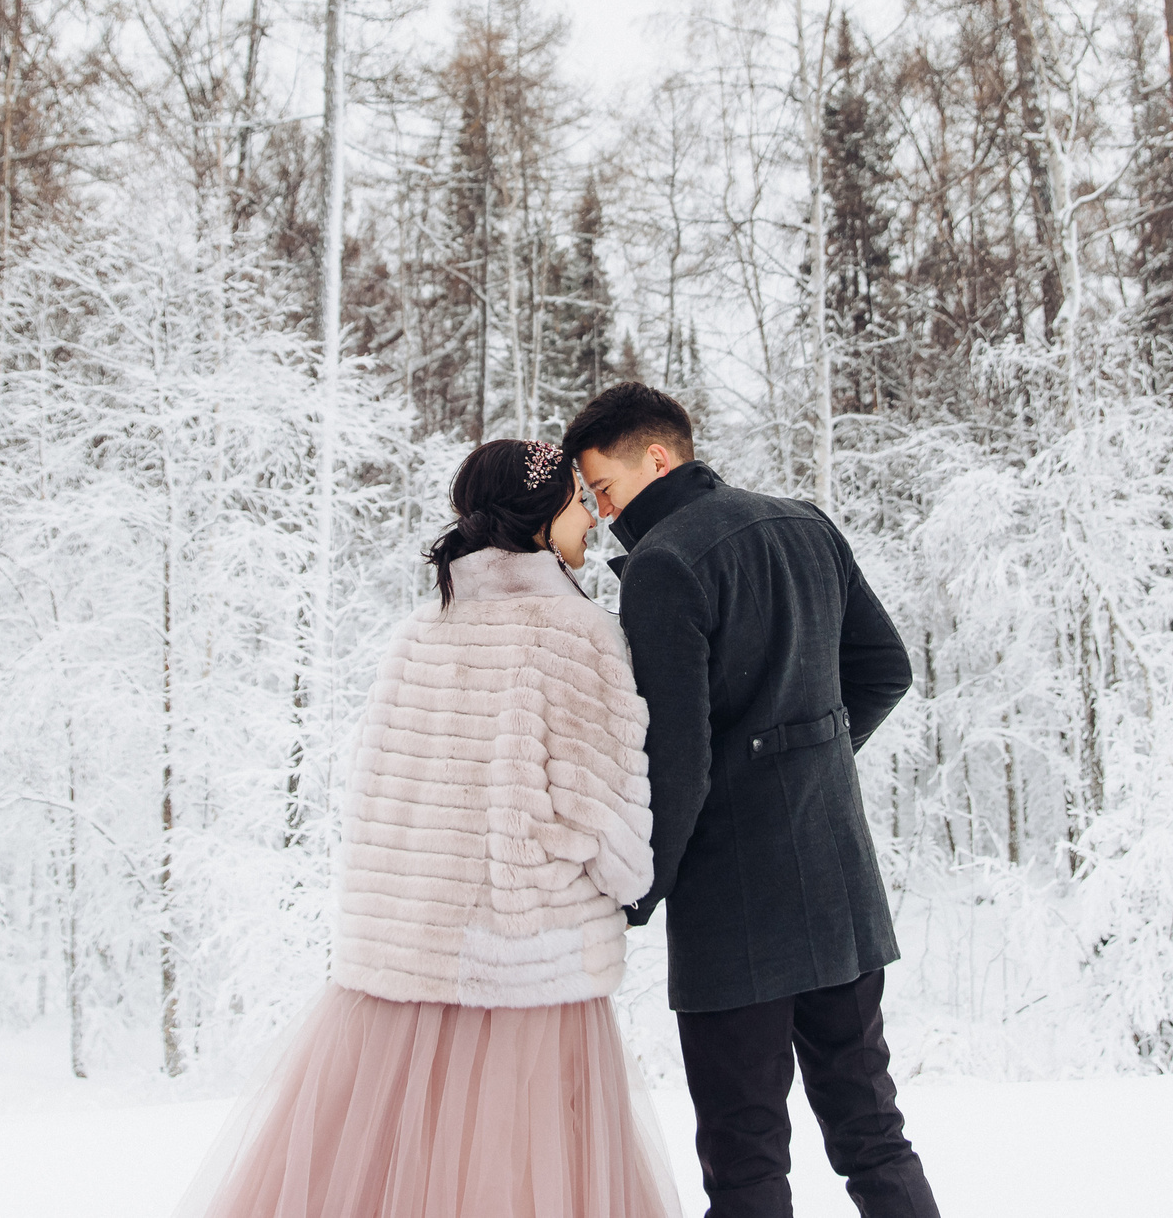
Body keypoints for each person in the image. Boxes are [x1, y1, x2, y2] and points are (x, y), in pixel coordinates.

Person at [179, 437, 684, 1218]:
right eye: (576, 502)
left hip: (403, 973)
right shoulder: (575, 631)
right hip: (527, 968)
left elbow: (376, 797)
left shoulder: (420, 633)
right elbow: (608, 817)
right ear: (539, 518)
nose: (591, 517)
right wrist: (634, 880)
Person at [564, 383, 939, 1218]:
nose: (602, 511)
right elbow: (886, 669)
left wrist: (636, 894)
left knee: (744, 1161)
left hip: (734, 907)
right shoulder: (806, 523)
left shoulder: (663, 564)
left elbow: (679, 760)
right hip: (838, 884)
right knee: (873, 1131)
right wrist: (811, 767)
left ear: (657, 456)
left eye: (606, 488)